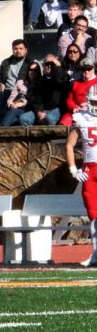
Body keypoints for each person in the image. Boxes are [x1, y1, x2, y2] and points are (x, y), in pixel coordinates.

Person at [66, 85, 97, 266]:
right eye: (94, 101)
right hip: (89, 172)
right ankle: (95, 254)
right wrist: (73, 169)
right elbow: (69, 145)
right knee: (94, 216)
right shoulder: (81, 119)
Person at [22, 55, 67, 125]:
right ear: (43, 66)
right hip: (43, 109)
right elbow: (36, 99)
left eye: (52, 64)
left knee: (49, 118)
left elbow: (61, 82)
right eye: (47, 64)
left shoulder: (62, 77)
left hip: (58, 109)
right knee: (24, 118)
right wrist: (38, 111)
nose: (49, 66)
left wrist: (58, 68)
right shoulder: (40, 81)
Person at [0, 61, 41, 126]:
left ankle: (0, 131)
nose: (33, 72)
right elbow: (11, 98)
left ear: (38, 72)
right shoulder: (20, 83)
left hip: (30, 109)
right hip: (18, 108)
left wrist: (22, 104)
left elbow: (35, 100)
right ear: (27, 71)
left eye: (35, 70)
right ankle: (1, 130)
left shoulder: (40, 84)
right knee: (11, 110)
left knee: (12, 114)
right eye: (31, 70)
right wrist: (11, 104)